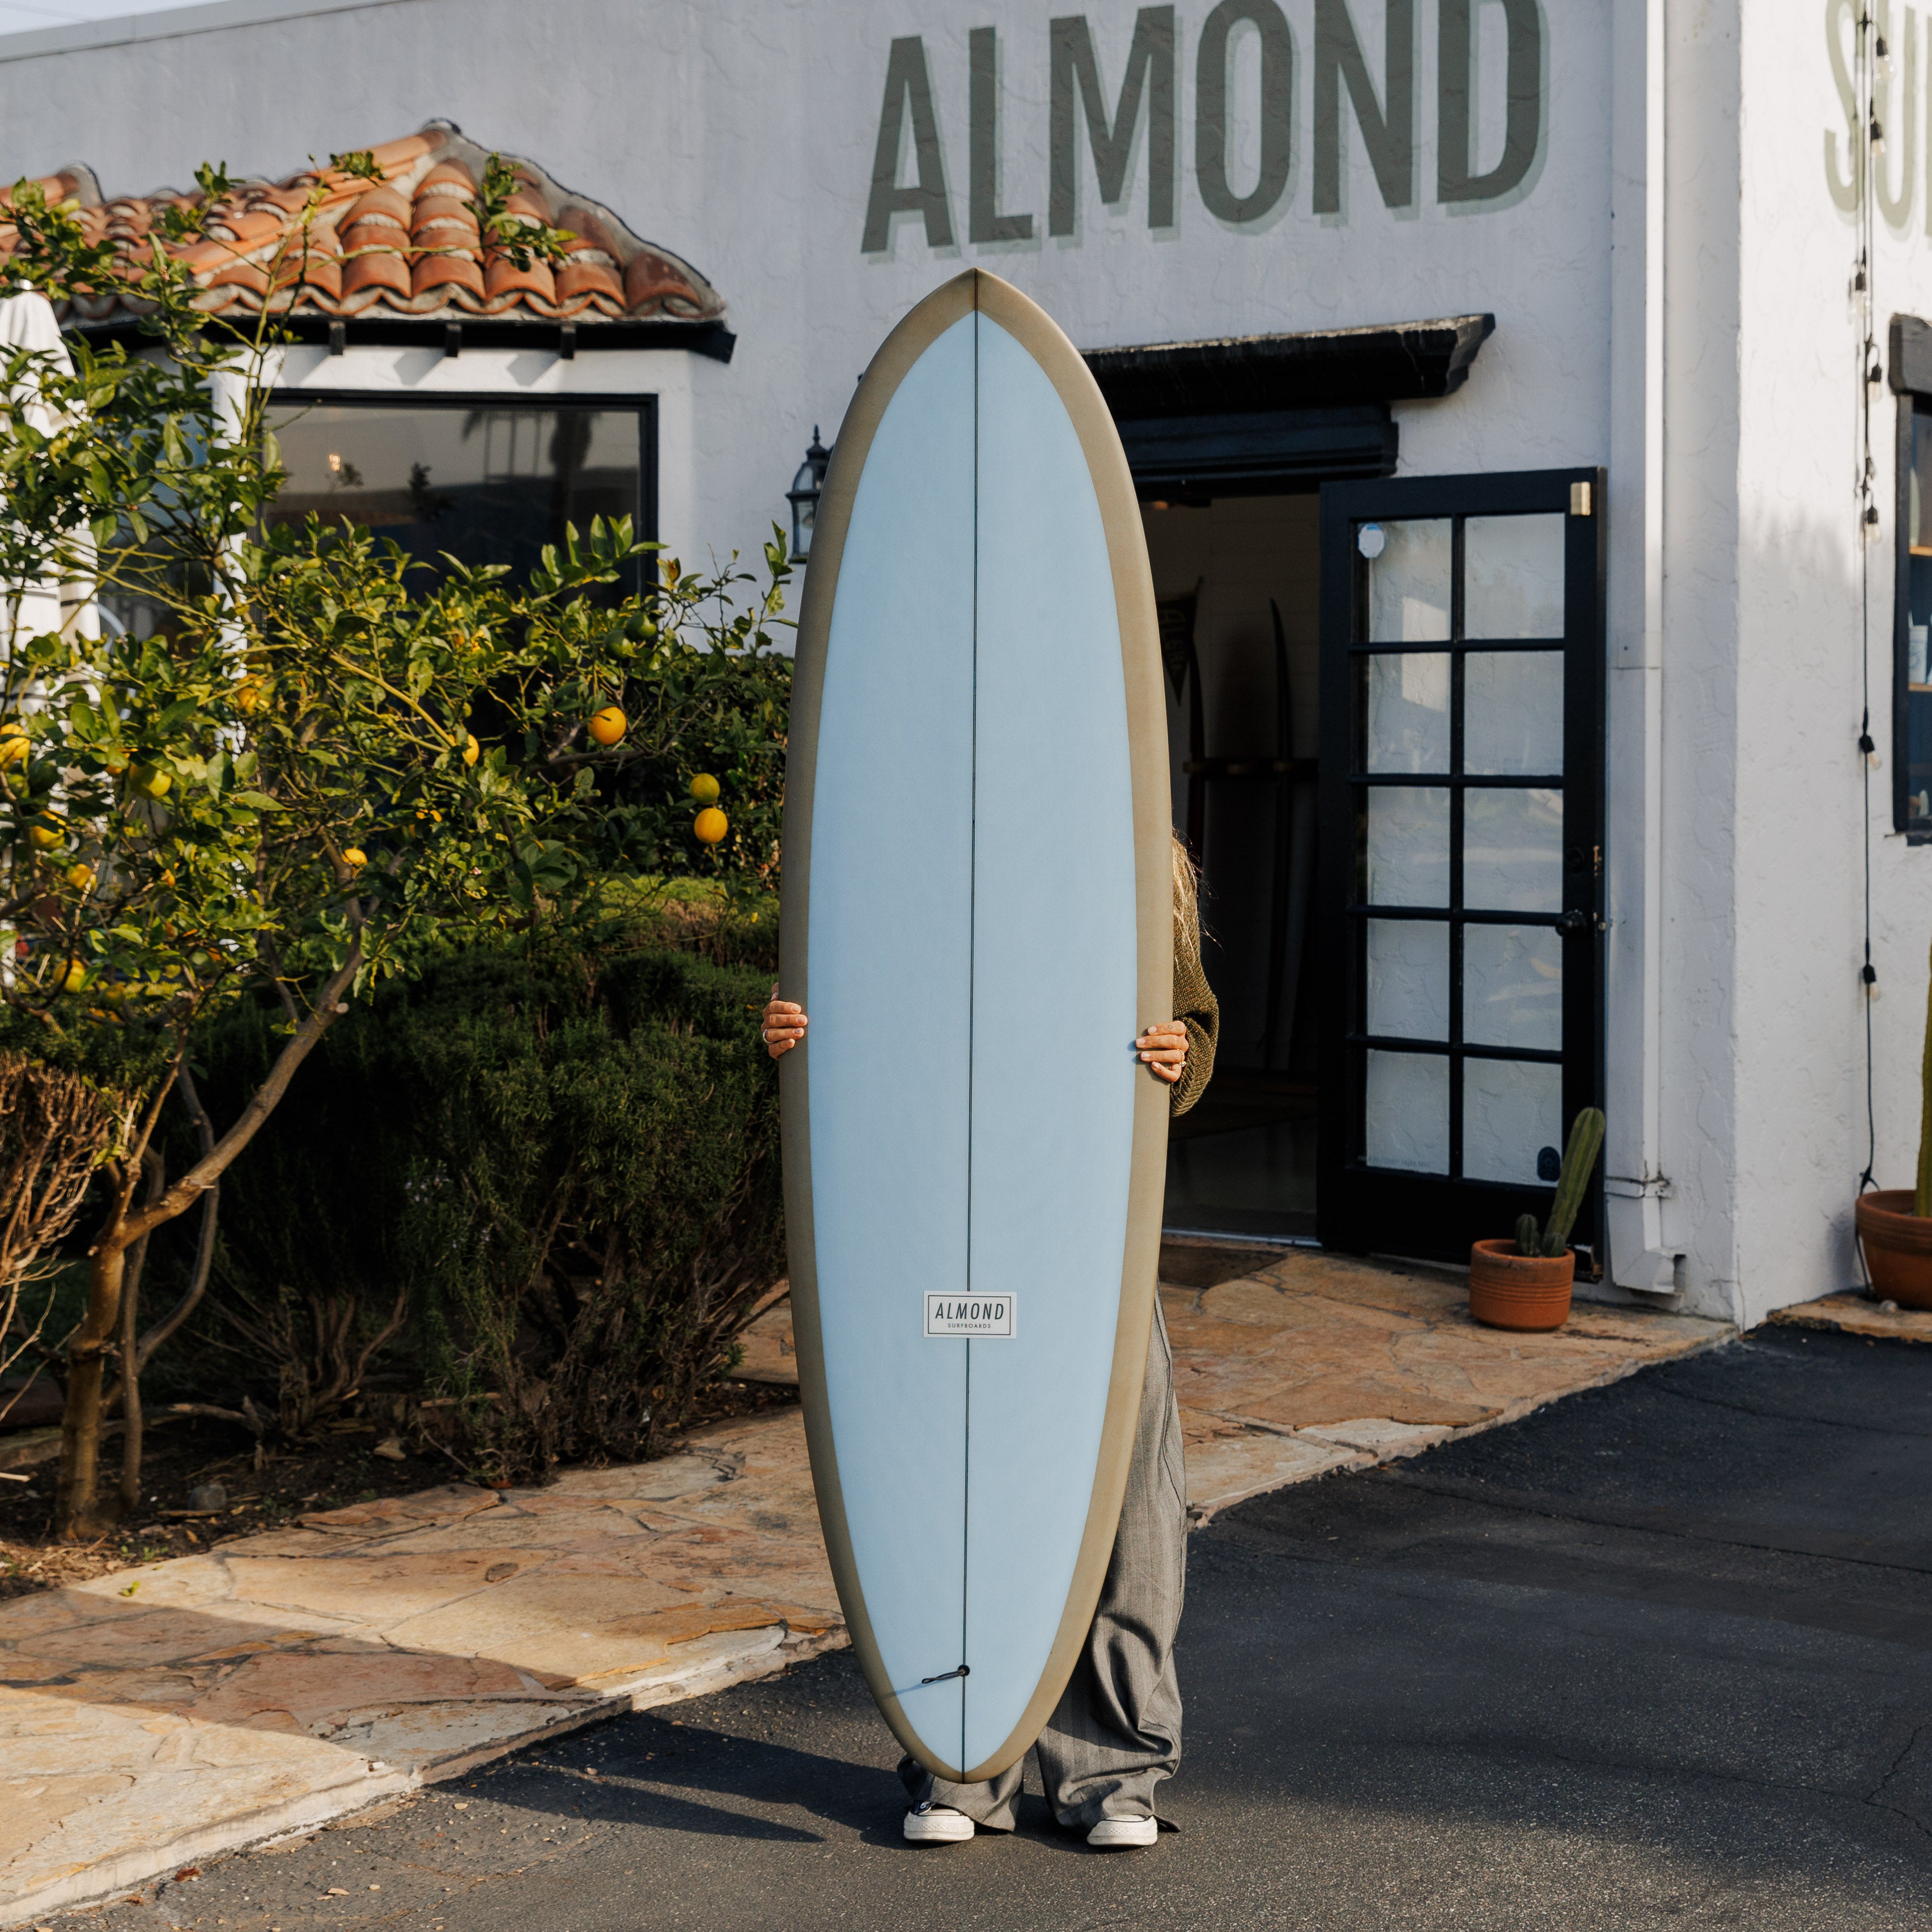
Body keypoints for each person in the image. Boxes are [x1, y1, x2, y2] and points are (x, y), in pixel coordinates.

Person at [760, 831, 1218, 1852]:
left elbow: (1189, 1012)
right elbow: (862, 994)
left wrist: (1179, 1055)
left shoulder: (1128, 821)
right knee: (967, 1484)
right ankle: (964, 1760)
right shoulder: (924, 811)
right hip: (950, 1212)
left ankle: (1115, 1771)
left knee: (1122, 1498)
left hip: (1091, 1210)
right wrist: (798, 1035)